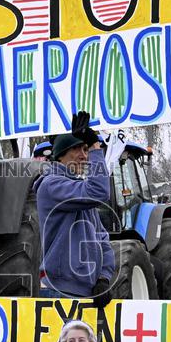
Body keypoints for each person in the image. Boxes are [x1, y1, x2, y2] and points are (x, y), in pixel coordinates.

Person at [34, 112, 115, 306]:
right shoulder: (51, 186)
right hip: (60, 292)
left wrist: (103, 278)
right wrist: (96, 147)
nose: (84, 155)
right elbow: (99, 192)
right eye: (77, 148)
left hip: (86, 292)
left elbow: (101, 237)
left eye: (86, 149)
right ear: (61, 154)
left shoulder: (79, 193)